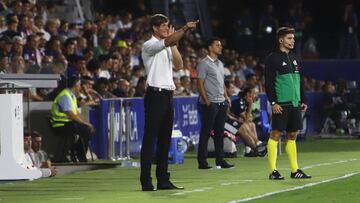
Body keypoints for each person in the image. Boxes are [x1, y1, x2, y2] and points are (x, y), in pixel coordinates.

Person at [140, 14, 198, 191]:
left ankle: (163, 179)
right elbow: (165, 42)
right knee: (151, 138)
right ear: (155, 28)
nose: (166, 28)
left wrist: (174, 44)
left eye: (168, 25)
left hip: (167, 95)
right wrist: (185, 28)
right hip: (155, 94)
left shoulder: (167, 45)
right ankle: (146, 180)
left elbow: (179, 65)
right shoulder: (149, 45)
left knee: (165, 139)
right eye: (163, 26)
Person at [265, 27, 311, 180]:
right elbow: (269, 83)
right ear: (281, 40)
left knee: (292, 135)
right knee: (276, 134)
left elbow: (300, 81)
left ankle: (294, 170)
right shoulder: (272, 58)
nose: (293, 41)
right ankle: (273, 171)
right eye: (290, 38)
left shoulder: (295, 57)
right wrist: (273, 102)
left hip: (295, 103)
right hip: (281, 103)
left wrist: (303, 99)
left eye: (293, 38)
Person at [197, 37, 234, 170]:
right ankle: (202, 161)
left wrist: (226, 97)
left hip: (221, 102)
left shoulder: (220, 64)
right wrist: (207, 101)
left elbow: (222, 82)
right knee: (206, 132)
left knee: (219, 132)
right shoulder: (203, 63)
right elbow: (200, 84)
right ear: (210, 48)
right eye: (217, 45)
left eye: (220, 45)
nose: (220, 47)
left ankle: (220, 159)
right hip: (211, 103)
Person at [50, 76, 95, 163]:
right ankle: (80, 157)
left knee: (86, 129)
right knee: (84, 130)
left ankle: (77, 153)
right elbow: (71, 114)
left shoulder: (72, 95)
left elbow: (76, 112)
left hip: (67, 123)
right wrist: (85, 124)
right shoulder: (65, 96)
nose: (80, 87)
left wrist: (87, 123)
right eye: (79, 85)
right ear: (75, 85)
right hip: (60, 124)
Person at [226, 85, 267, 157]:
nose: (255, 95)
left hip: (233, 121)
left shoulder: (244, 101)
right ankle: (256, 148)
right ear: (248, 94)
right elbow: (246, 119)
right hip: (226, 122)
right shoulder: (240, 102)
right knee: (245, 125)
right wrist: (251, 105)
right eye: (254, 93)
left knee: (251, 124)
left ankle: (251, 147)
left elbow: (248, 119)